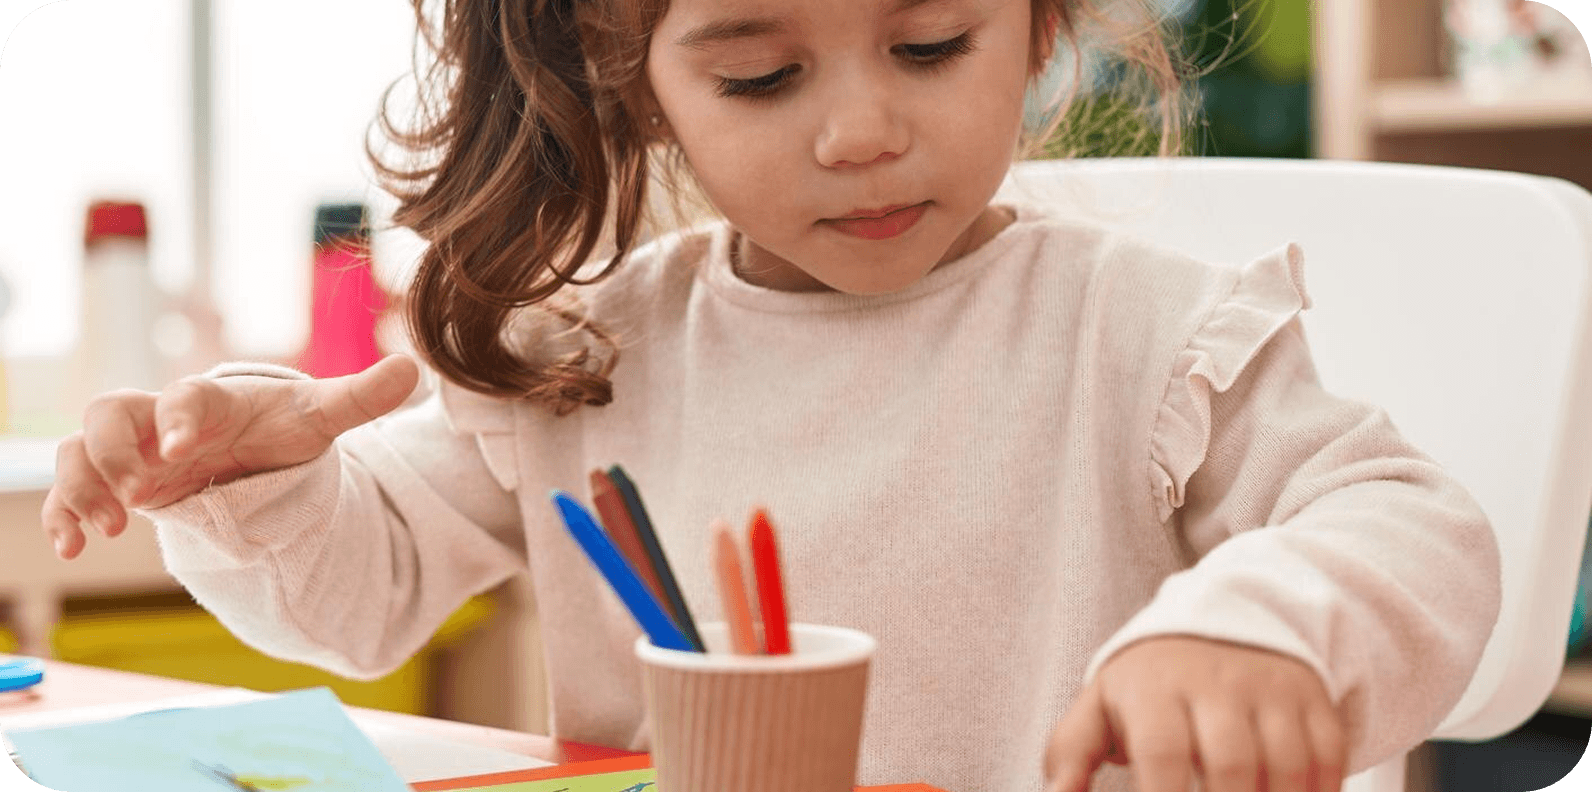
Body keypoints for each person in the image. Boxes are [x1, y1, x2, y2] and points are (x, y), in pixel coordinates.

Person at [41, 0, 1501, 790]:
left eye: (931, 48)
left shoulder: (1146, 331)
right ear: (643, 86)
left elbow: (1410, 526)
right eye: (758, 76)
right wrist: (244, 470)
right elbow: (353, 602)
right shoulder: (591, 355)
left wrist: (1255, 632)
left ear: (1043, 30)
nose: (863, 132)